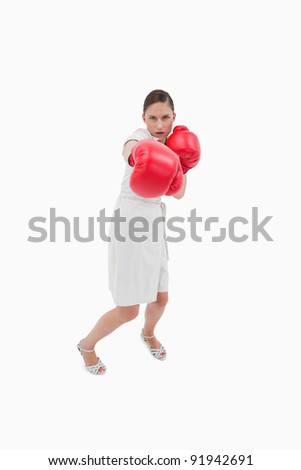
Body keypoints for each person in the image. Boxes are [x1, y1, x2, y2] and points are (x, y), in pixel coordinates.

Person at [77, 89, 200, 375]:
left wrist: (180, 163)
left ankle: (148, 334)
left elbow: (179, 194)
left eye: (165, 118)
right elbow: (127, 151)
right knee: (128, 310)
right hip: (131, 225)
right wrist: (140, 157)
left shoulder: (175, 145)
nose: (159, 125)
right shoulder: (140, 137)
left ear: (174, 118)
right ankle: (87, 345)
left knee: (161, 298)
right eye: (153, 118)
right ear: (144, 118)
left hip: (155, 225)